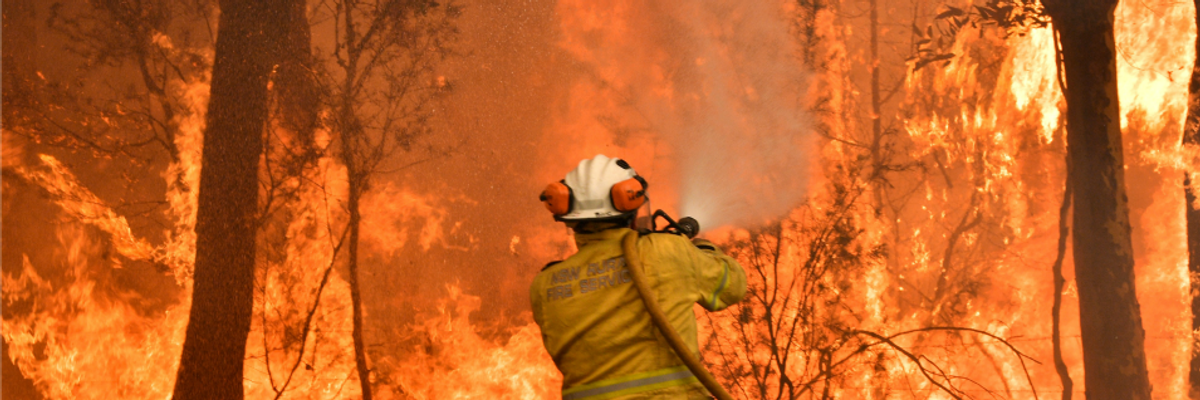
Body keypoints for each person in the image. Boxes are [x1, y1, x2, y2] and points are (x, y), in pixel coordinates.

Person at [530, 154, 747, 400]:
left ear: (570, 219)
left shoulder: (544, 286)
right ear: (631, 211)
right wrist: (701, 248)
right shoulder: (667, 251)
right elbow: (733, 285)